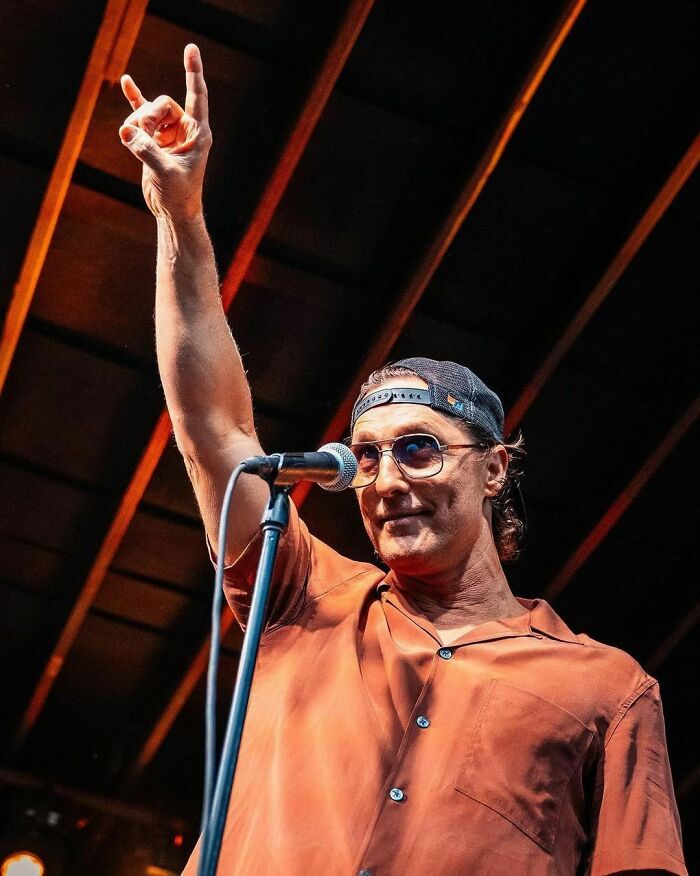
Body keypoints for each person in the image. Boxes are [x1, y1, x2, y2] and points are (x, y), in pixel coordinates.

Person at [119, 45, 687, 876]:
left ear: (493, 469)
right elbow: (212, 426)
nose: (385, 481)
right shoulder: (304, 594)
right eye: (369, 457)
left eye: (418, 451)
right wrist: (179, 214)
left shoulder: (606, 688)